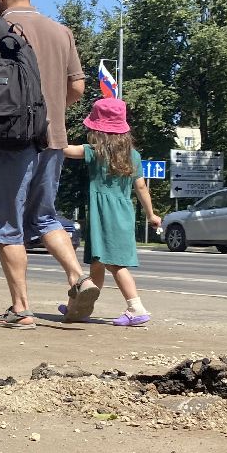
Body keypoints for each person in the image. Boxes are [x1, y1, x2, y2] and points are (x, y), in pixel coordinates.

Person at [0, 0, 95, 329]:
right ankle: (79, 277)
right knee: (44, 216)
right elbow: (77, 88)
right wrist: (50, 110)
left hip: (12, 142)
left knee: (7, 224)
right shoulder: (62, 32)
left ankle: (21, 308)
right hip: (54, 139)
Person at [61, 98, 162, 326]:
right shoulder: (133, 155)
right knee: (98, 263)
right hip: (123, 212)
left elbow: (66, 150)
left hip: (104, 215)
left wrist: (51, 134)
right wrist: (151, 214)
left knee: (115, 264)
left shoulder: (95, 151)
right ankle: (79, 308)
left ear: (98, 130)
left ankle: (136, 307)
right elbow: (141, 186)